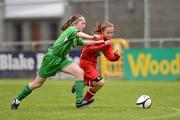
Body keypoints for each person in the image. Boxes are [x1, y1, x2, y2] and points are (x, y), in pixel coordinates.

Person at [11, 14, 105, 110]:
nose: (84, 26)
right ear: (76, 23)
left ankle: (79, 102)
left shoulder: (74, 34)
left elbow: (84, 42)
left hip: (62, 59)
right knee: (37, 83)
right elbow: (81, 35)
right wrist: (92, 37)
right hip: (51, 59)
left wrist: (98, 42)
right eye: (82, 23)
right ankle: (17, 99)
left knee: (79, 72)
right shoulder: (71, 30)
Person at [71, 21, 120, 106]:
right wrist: (103, 44)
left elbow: (110, 58)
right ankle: (85, 98)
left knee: (98, 84)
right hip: (85, 62)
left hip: (92, 64)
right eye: (108, 33)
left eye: (112, 33)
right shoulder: (98, 38)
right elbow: (89, 49)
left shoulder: (107, 43)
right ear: (102, 32)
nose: (110, 35)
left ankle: (81, 86)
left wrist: (116, 56)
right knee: (100, 82)